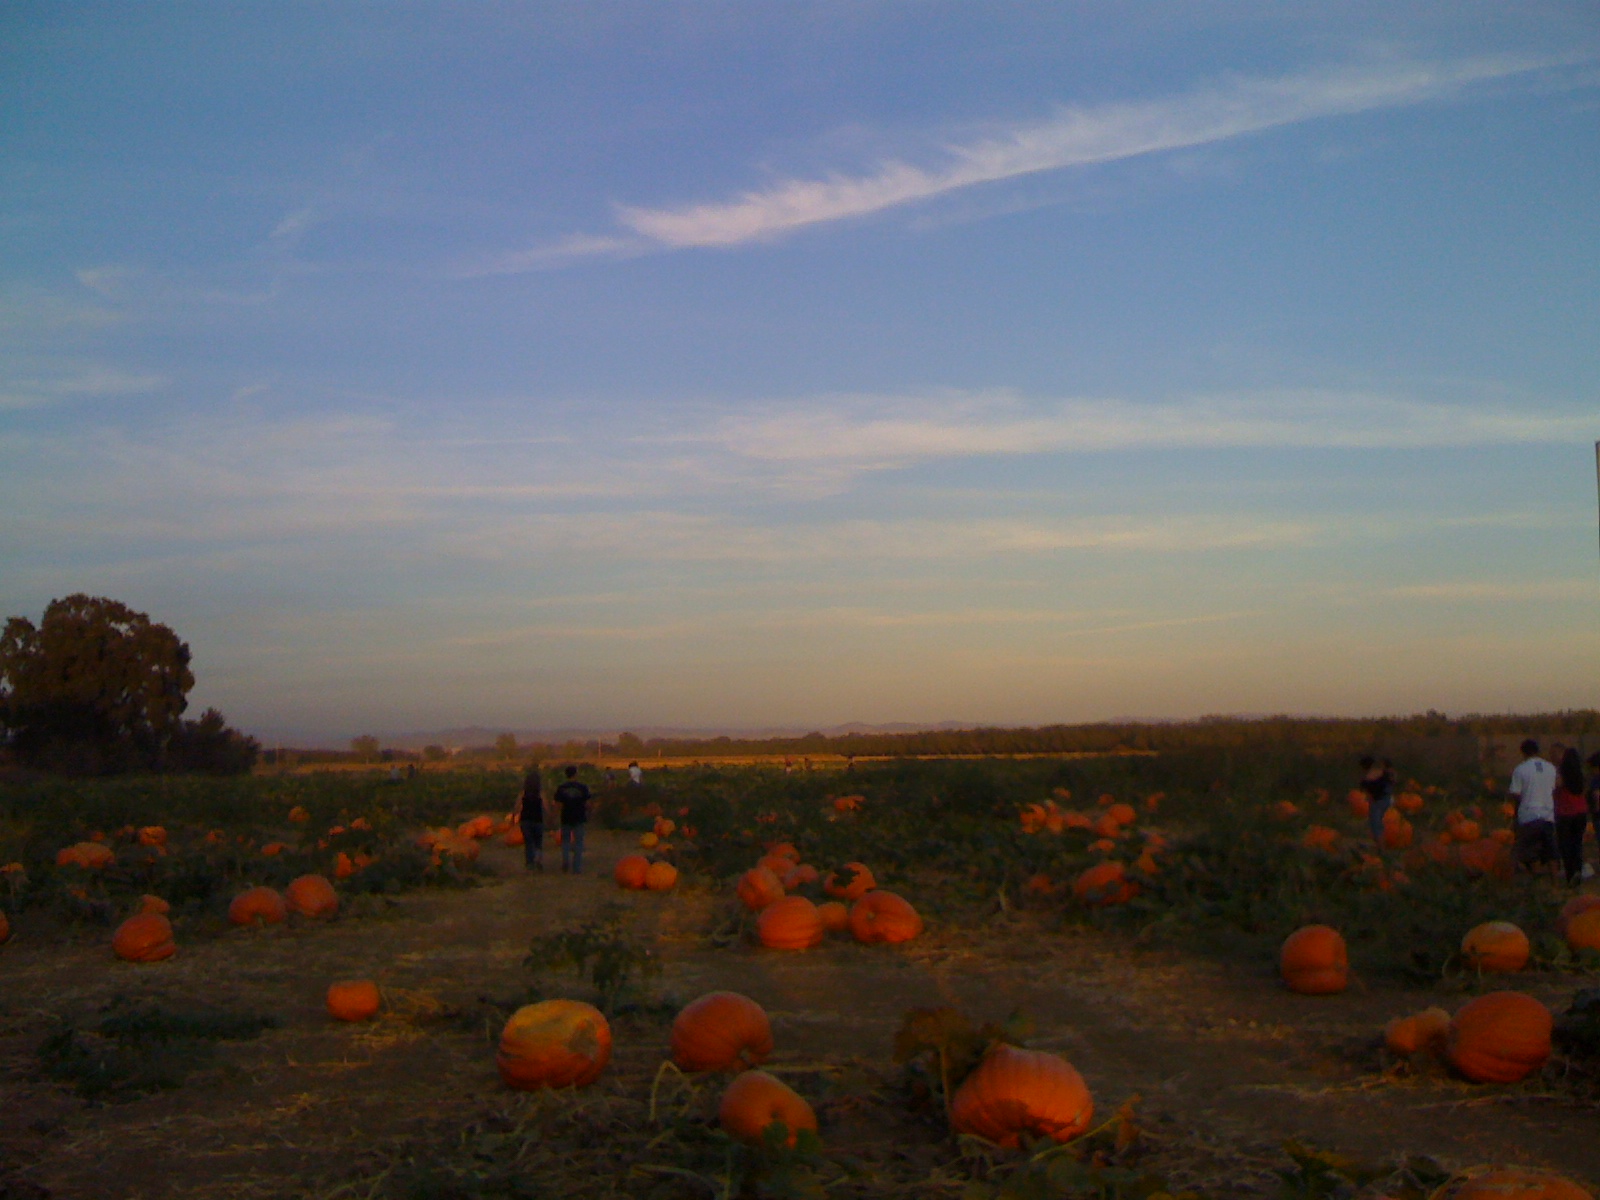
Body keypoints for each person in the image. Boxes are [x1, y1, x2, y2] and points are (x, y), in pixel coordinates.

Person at [1509, 738, 1558, 878]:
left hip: (1528, 815)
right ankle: (1554, 879)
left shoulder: (1520, 769)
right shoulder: (1550, 768)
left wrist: (1516, 815)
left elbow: (1516, 794)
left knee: (1528, 849)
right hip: (1548, 814)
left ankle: (1534, 875)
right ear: (1538, 751)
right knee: (1550, 849)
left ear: (1523, 753)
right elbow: (1553, 789)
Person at [1554, 747, 1589, 885]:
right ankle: (1578, 869)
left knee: (1565, 844)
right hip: (1581, 812)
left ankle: (1570, 872)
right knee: (1577, 843)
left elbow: (1555, 788)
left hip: (1565, 813)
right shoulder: (1581, 775)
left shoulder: (1561, 774)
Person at [553, 765, 593, 875]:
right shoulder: (583, 788)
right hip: (579, 818)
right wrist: (590, 813)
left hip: (566, 818)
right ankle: (577, 868)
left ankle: (566, 861)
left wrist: (554, 816)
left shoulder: (561, 788)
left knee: (565, 841)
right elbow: (588, 804)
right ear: (576, 774)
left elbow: (558, 805)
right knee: (578, 843)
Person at [513, 764, 546, 871]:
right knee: (538, 843)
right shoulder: (540, 793)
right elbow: (546, 806)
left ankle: (530, 863)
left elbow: (517, 806)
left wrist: (513, 817)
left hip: (525, 820)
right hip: (538, 820)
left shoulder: (523, 793)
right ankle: (538, 861)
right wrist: (550, 817)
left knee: (528, 843)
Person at [1358, 755, 1395, 847]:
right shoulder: (1384, 773)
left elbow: (1367, 792)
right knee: (1387, 821)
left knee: (1376, 823)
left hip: (1377, 801)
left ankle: (1380, 844)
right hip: (1387, 799)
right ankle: (1382, 841)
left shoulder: (1367, 778)